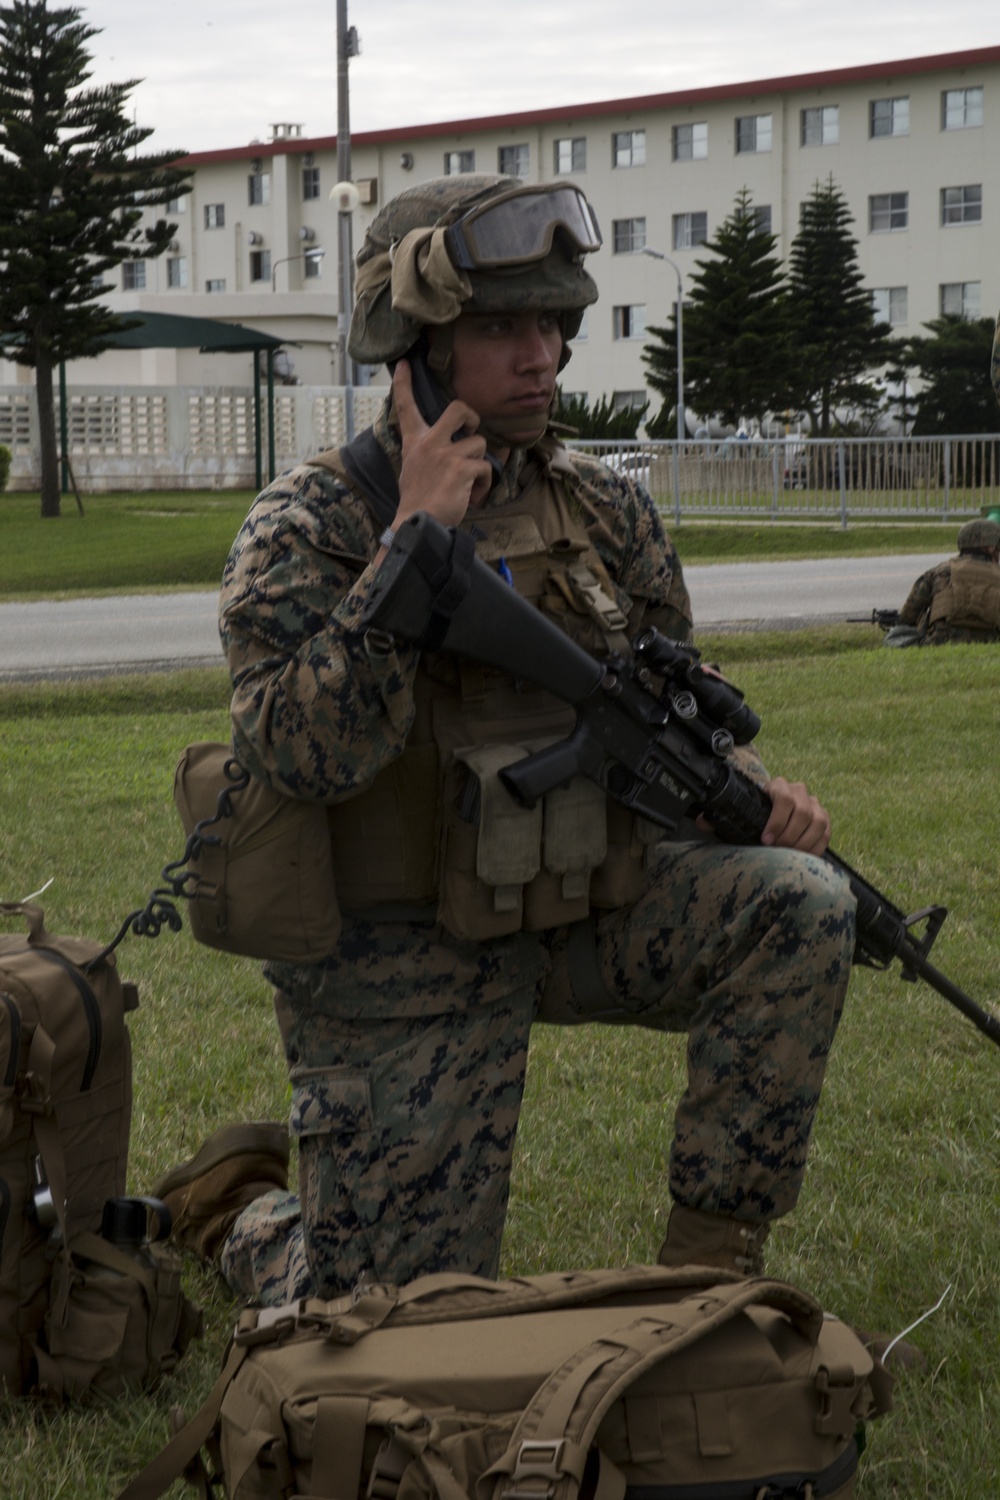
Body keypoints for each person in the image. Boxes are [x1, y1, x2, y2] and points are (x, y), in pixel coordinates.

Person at [154, 175, 856, 1304]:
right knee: (399, 1319)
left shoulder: (602, 508)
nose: (539, 356)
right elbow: (298, 755)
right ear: (414, 345)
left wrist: (753, 793)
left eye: (551, 325)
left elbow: (667, 703)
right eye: (498, 328)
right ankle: (246, 1218)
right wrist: (411, 544)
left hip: (577, 898)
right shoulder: (312, 522)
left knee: (799, 904)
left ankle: (705, 1287)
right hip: (402, 954)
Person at [896, 518, 1000, 645]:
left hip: (941, 641)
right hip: (991, 641)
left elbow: (908, 616)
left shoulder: (939, 571)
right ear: (990, 547)